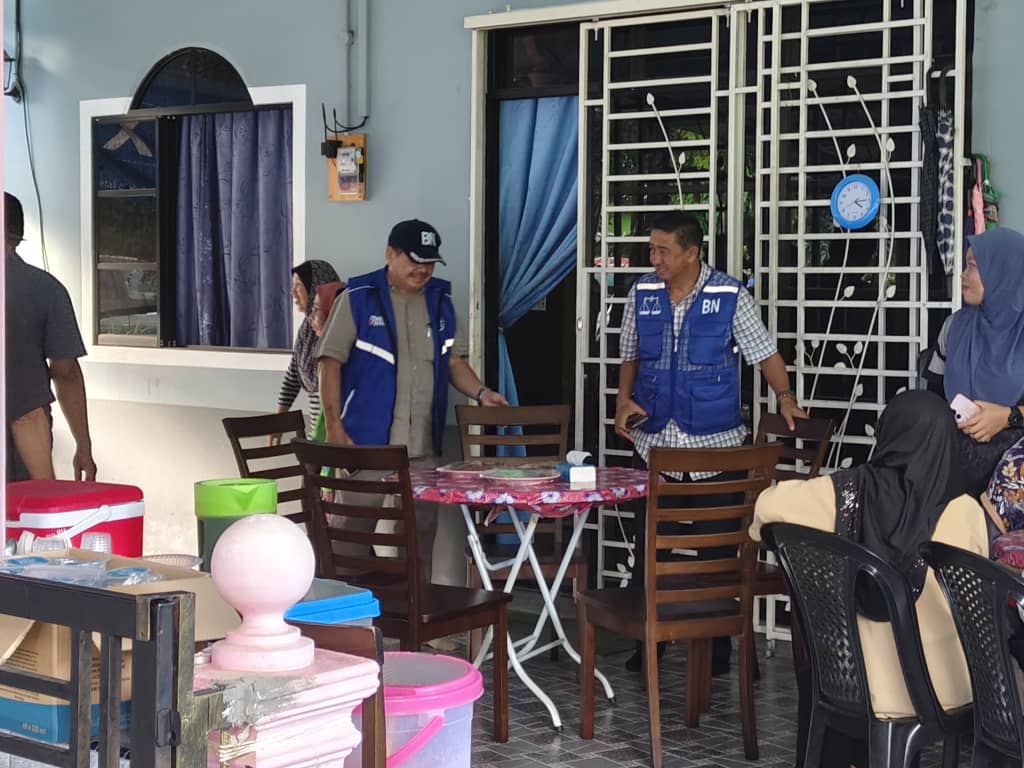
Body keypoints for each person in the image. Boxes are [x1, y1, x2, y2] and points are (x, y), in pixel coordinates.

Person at [614, 210, 807, 674]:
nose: (654, 259)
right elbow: (630, 356)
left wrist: (785, 398)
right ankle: (649, 645)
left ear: (691, 253)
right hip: (655, 445)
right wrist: (622, 400)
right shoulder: (642, 293)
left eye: (663, 250)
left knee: (716, 554)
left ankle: (717, 651)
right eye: (651, 249)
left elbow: (764, 354)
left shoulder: (729, 295)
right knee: (650, 549)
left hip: (715, 448)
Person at [750, 390, 988, 767]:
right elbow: (976, 614)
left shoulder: (841, 493)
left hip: (846, 678)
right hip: (933, 690)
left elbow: (765, 506)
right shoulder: (961, 511)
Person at [316, 218, 508, 583]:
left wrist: (482, 393)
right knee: (349, 539)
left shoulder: (440, 302)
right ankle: (341, 615)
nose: (423, 269)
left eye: (430, 261)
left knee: (418, 538)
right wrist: (335, 428)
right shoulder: (358, 297)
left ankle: (414, 613)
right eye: (415, 260)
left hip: (420, 449)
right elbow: (330, 362)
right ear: (391, 254)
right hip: (364, 444)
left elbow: (454, 362)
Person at [925, 228, 1024, 496]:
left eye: (972, 266)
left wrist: (1007, 417)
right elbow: (933, 395)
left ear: (1003, 273)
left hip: (1012, 477)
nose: (963, 275)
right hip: (953, 458)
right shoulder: (954, 326)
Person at [5, 192, 96, 482]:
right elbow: (65, 373)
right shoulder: (44, 290)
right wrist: (83, 446)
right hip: (19, 451)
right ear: (17, 237)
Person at [272, 260, 340, 443]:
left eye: (299, 286)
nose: (293, 292)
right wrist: (279, 423)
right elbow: (293, 375)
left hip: (341, 437)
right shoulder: (307, 329)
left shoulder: (342, 327)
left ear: (317, 288)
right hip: (317, 435)